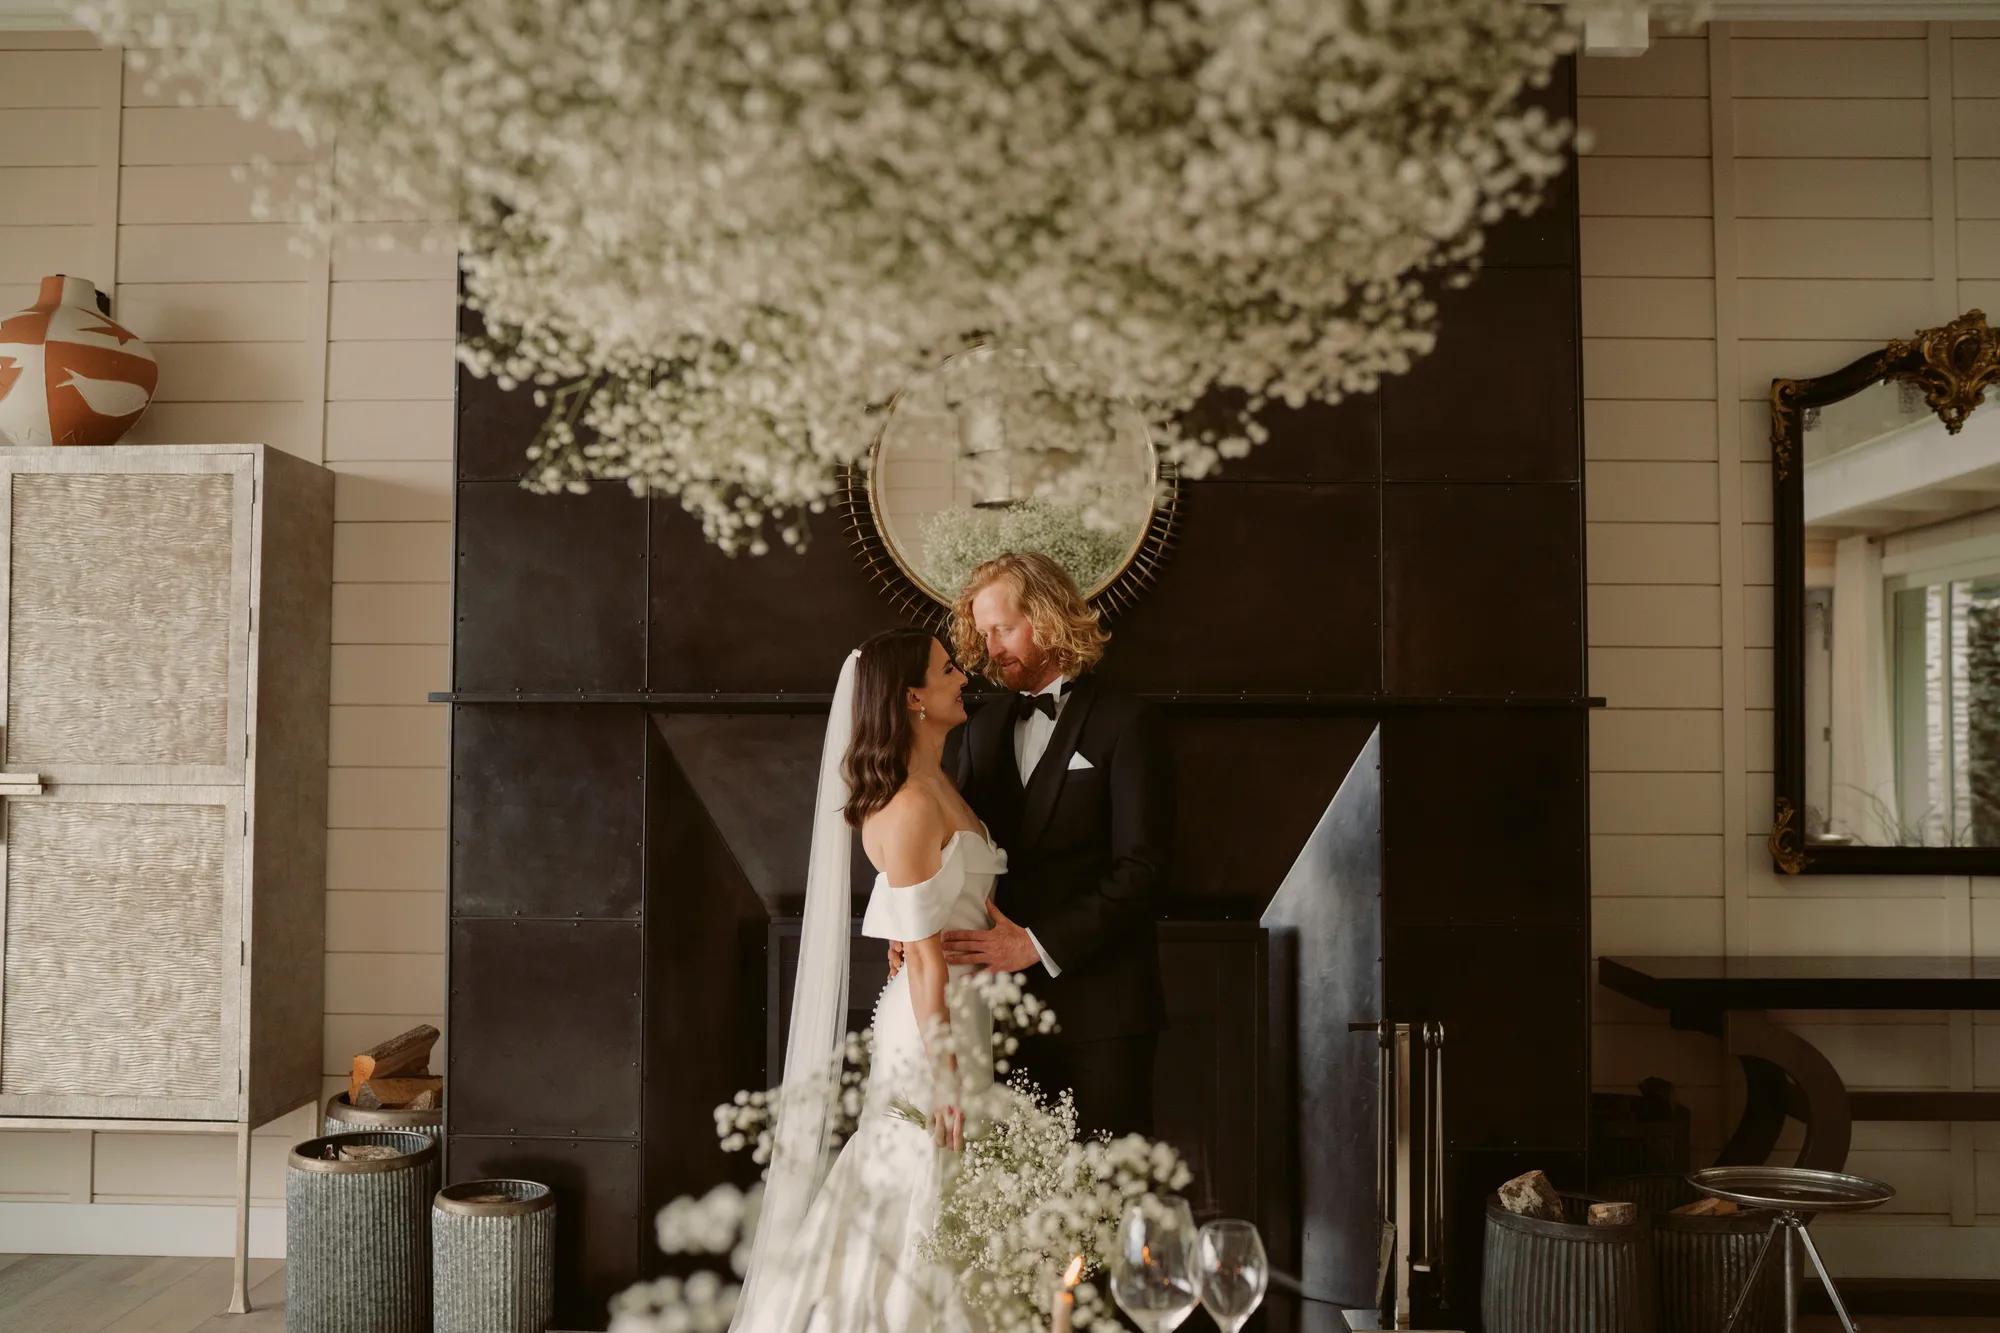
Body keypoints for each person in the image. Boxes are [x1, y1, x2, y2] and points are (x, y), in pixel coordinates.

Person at [732, 628, 997, 1332]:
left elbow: (948, 896)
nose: (962, 676)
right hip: (929, 1022)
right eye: (948, 669)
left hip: (965, 1005)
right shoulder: (909, 804)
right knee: (925, 1169)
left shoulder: (938, 781)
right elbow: (927, 958)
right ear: (914, 697)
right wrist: (943, 1073)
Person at [896, 550, 1169, 1136]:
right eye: (983, 633)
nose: (992, 649)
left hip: (1104, 1014)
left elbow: (1144, 869)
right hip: (994, 1014)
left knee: (1105, 1203)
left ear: (1047, 616)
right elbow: (948, 848)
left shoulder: (1129, 722)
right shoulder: (981, 725)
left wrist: (1036, 945)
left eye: (1004, 628)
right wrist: (912, 925)